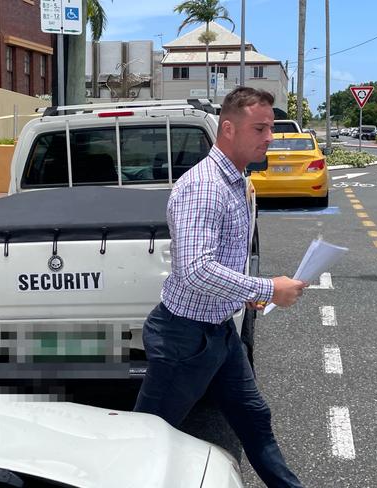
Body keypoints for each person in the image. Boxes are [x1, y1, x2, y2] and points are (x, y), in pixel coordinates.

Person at [134, 87, 307, 488]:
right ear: (228, 129)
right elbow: (195, 270)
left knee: (253, 418)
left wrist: (247, 293)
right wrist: (265, 288)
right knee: (143, 439)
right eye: (260, 128)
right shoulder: (206, 186)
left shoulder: (236, 181)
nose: (269, 137)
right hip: (184, 338)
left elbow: (220, 265)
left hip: (218, 332)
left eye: (272, 128)